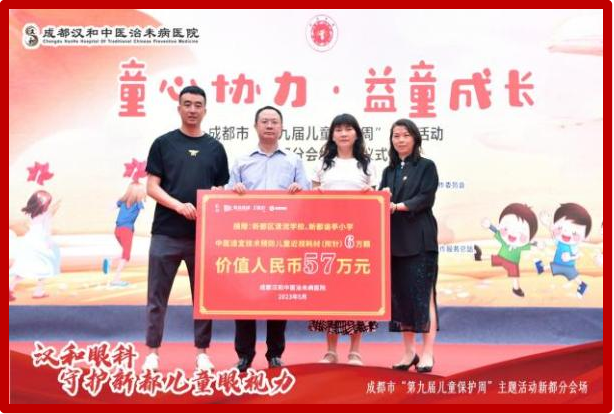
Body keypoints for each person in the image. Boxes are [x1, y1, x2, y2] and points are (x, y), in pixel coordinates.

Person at [142, 85, 229, 372]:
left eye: (198, 105)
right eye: (187, 104)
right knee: (157, 296)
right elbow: (151, 187)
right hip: (165, 233)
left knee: (203, 298)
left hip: (202, 236)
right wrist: (178, 206)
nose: (192, 109)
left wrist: (216, 195)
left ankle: (202, 353)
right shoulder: (163, 144)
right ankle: (152, 353)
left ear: (205, 110)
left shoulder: (215, 148)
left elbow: (220, 188)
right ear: (179, 108)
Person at [227, 105, 310, 372]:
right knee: (244, 297)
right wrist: (235, 191)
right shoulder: (241, 161)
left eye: (274, 121)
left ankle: (275, 353)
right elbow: (225, 198)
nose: (270, 126)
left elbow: (308, 197)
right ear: (256, 126)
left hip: (281, 240)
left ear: (282, 127)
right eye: (265, 121)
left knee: (278, 296)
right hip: (248, 240)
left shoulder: (293, 161)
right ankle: (244, 354)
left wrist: (299, 190)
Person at [307, 113, 378, 366]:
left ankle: (355, 351)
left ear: (356, 134)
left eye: (348, 129)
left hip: (358, 238)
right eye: (338, 129)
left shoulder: (366, 165)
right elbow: (312, 200)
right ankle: (331, 351)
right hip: (328, 237)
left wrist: (371, 194)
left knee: (357, 293)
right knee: (330, 293)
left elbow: (376, 202)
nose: (344, 133)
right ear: (332, 135)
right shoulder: (322, 164)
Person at [379, 118, 439, 373]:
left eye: (405, 135)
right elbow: (381, 201)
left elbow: (425, 198)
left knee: (423, 297)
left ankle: (428, 353)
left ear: (415, 138)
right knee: (401, 298)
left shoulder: (426, 166)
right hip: (395, 241)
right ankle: (408, 352)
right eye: (396, 135)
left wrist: (398, 206)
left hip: (421, 241)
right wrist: (380, 197)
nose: (400, 140)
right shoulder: (389, 170)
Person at [9, 190, 61, 300]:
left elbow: (30, 224)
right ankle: (38, 291)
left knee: (26, 268)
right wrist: (48, 243)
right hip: (40, 242)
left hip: (30, 240)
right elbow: (46, 230)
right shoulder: (46, 214)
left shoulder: (30, 213)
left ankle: (11, 288)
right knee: (43, 267)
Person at [110, 181, 146, 287]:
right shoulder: (138, 203)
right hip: (126, 231)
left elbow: (112, 207)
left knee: (125, 252)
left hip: (117, 230)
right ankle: (116, 279)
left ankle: (110, 260)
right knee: (126, 255)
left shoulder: (122, 201)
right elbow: (142, 209)